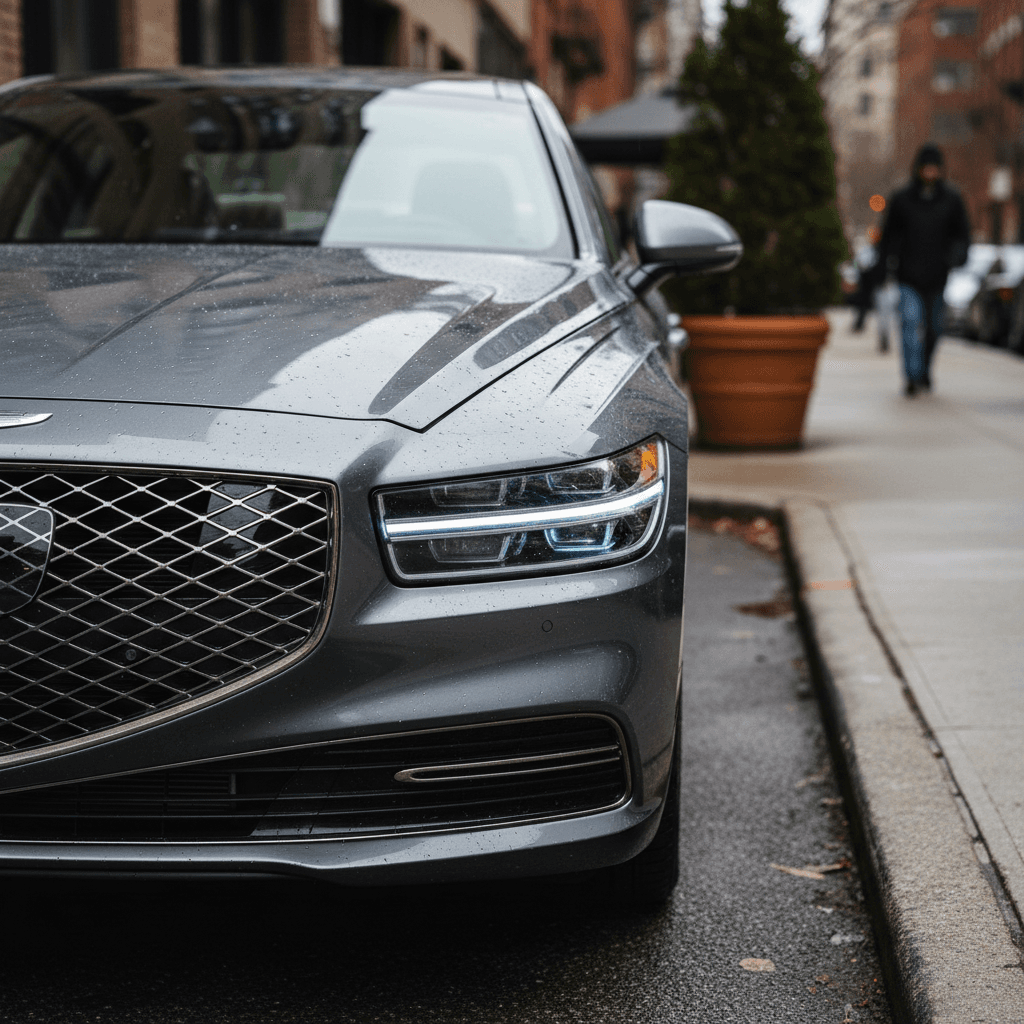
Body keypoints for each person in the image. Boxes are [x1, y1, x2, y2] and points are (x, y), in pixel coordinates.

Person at [878, 143, 971, 395]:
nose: (930, 173)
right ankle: (911, 375)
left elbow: (962, 234)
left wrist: (956, 257)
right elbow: (888, 237)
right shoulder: (902, 198)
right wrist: (884, 266)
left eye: (934, 168)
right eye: (926, 168)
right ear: (918, 169)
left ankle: (925, 370)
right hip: (907, 274)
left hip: (938, 275)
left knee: (933, 328)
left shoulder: (951, 199)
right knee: (909, 322)